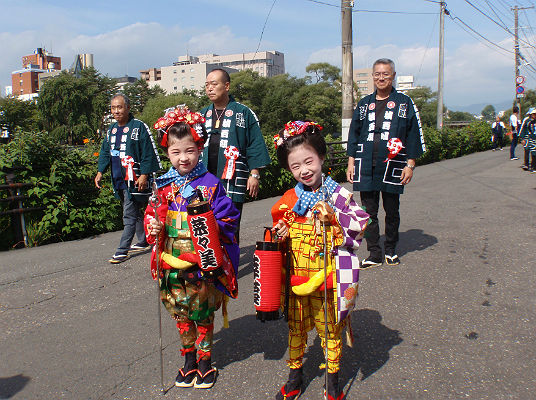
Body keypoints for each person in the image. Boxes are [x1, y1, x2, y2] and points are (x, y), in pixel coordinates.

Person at [270, 121, 369, 400]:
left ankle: (333, 378)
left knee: (329, 329)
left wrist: (334, 219)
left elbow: (359, 225)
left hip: (328, 277)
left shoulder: (337, 194)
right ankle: (295, 375)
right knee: (296, 327)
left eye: (309, 161)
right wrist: (282, 232)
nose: (304, 170)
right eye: (295, 166)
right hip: (297, 275)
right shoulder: (290, 198)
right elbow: (278, 230)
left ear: (322, 157)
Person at [145, 106, 240, 390]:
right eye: (176, 152)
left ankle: (205, 361)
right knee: (179, 310)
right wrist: (154, 226)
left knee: (202, 310)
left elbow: (228, 218)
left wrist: (211, 223)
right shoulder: (163, 186)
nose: (183, 158)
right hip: (171, 255)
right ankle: (188, 358)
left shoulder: (211, 184)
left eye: (189, 150)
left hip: (201, 257)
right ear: (168, 153)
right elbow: (153, 213)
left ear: (199, 148)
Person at [346, 58, 426, 269]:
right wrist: (351, 161)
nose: (381, 78)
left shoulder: (404, 102)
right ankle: (374, 253)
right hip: (365, 164)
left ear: (393, 76)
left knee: (392, 210)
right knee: (368, 212)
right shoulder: (364, 104)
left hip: (394, 164)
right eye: (378, 74)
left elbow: (413, 134)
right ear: (373, 76)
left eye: (386, 74)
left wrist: (410, 164)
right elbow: (354, 134)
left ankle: (390, 249)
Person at [201, 68, 271, 242]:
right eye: (207, 85)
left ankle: (231, 264)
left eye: (214, 84)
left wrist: (254, 174)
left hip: (233, 177)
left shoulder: (243, 113)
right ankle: (212, 261)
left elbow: (254, 144)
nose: (209, 88)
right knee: (205, 221)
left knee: (231, 222)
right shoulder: (202, 114)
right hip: (205, 178)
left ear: (226, 86)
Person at [95, 93, 161, 263]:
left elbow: (148, 152)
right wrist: (100, 171)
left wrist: (145, 174)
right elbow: (105, 152)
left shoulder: (139, 127)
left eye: (119, 107)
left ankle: (122, 250)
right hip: (119, 179)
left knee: (129, 215)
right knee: (134, 211)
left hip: (136, 179)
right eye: (113, 108)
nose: (116, 111)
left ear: (128, 108)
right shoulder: (111, 129)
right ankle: (143, 240)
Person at [518, 107, 536, 172]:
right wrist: (522, 138)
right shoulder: (527, 121)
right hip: (527, 138)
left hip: (533, 138)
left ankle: (533, 166)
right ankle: (527, 164)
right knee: (527, 150)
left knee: (533, 152)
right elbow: (523, 129)